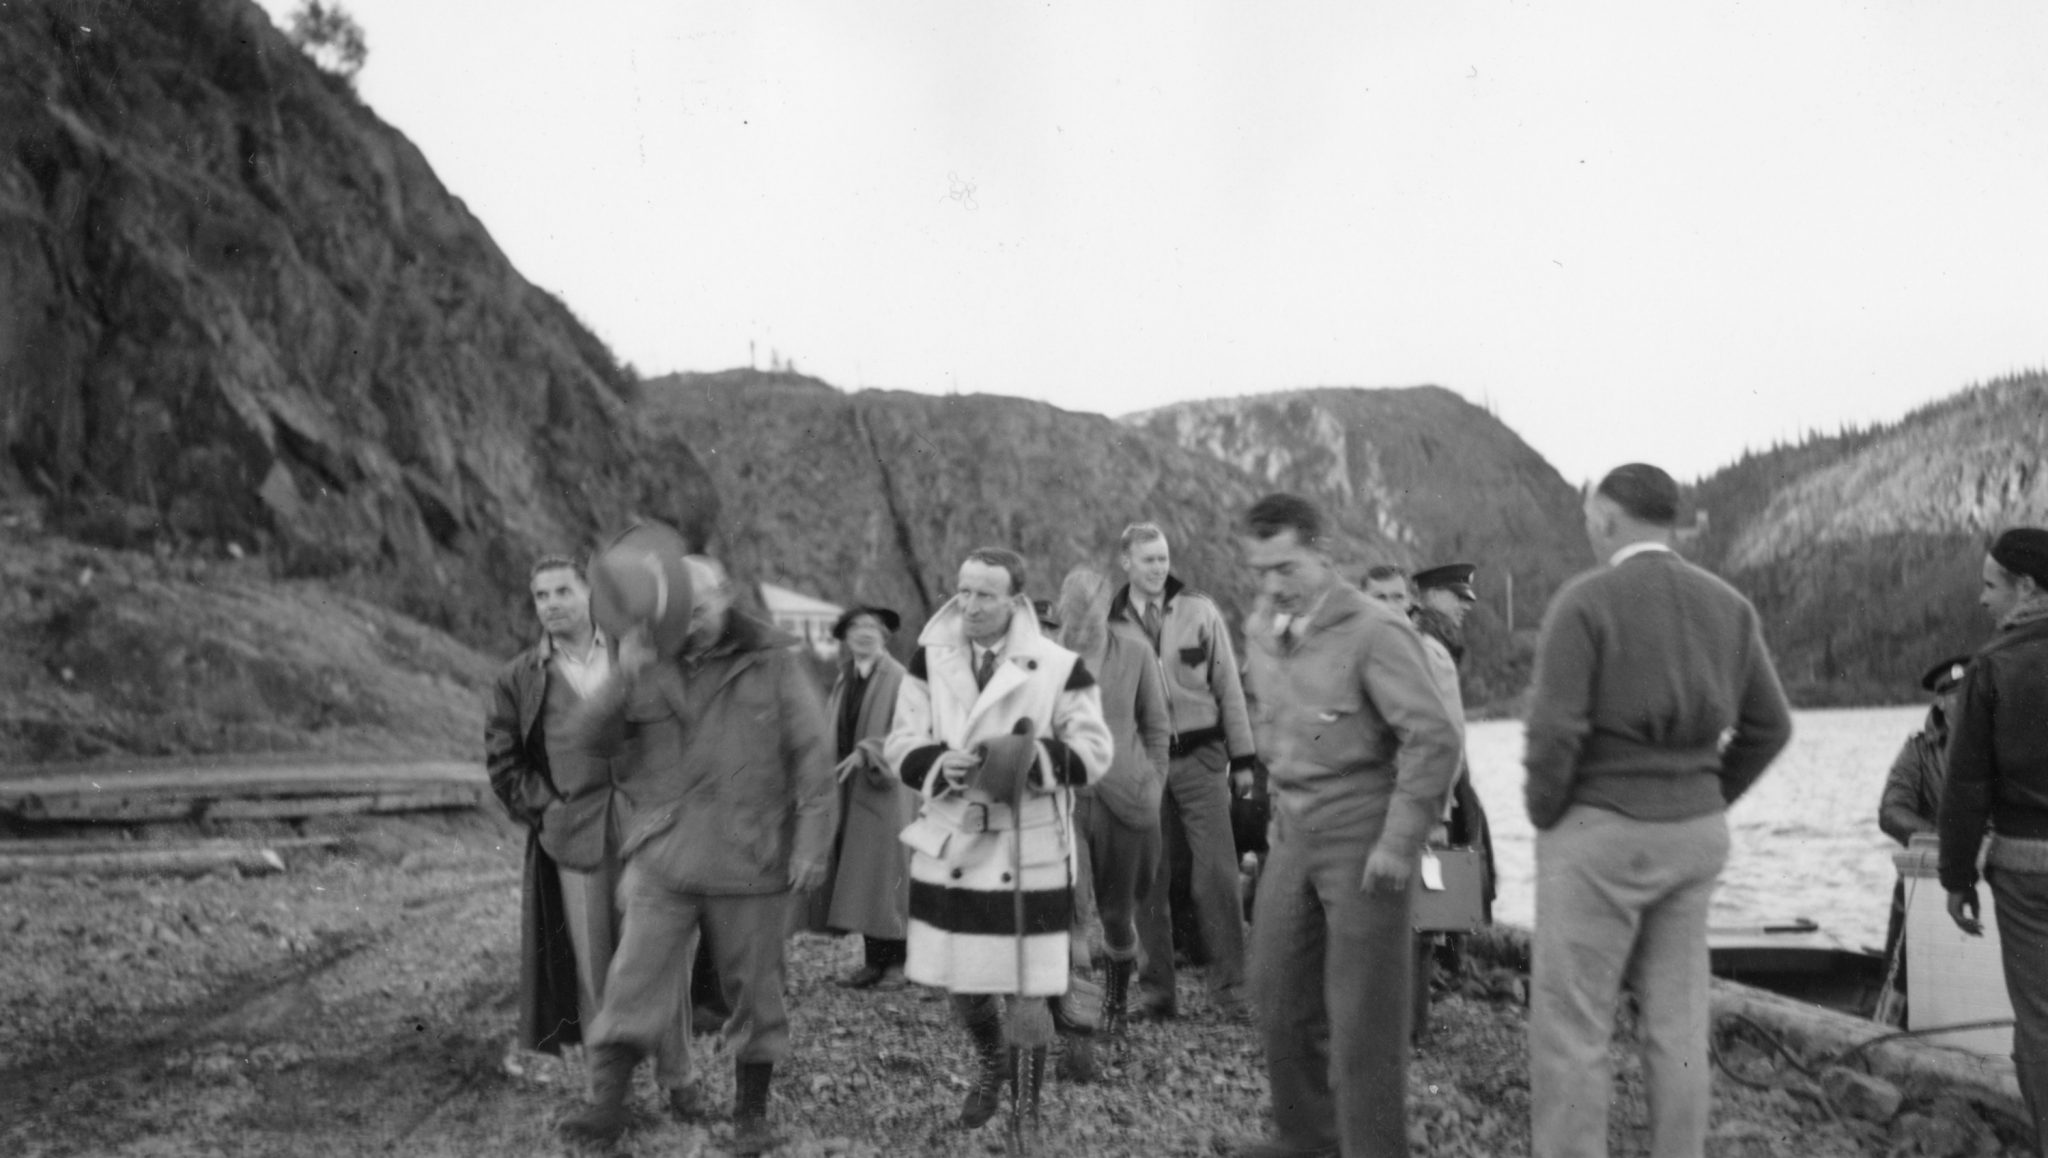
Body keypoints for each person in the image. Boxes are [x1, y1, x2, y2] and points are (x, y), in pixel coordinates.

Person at [1523, 463, 1793, 1158]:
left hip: (1601, 830)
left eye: (1589, 517)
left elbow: (1553, 733)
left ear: (1609, 519)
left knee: (1575, 1026)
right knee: (1677, 1022)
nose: (1587, 529)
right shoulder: (1728, 605)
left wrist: (1547, 813)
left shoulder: (1585, 603)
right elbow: (1771, 726)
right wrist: (1709, 796)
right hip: (1695, 836)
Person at [557, 556, 837, 1154]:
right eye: (679, 608)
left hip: (753, 854)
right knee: (632, 980)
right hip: (666, 850)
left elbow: (814, 758)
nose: (690, 618)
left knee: (756, 992)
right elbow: (588, 740)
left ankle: (751, 1116)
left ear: (727, 597)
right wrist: (620, 679)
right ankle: (606, 1106)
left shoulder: (773, 662)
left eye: (701, 604)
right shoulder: (646, 659)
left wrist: (812, 845)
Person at [1231, 493, 1464, 1158]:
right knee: (1275, 995)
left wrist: (1399, 841)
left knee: (1365, 1020)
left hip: (1365, 834)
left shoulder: (1374, 631)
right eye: (1262, 570)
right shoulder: (1262, 626)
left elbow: (1431, 739)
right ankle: (1309, 1139)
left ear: (1322, 555)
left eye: (1287, 566)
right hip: (1291, 831)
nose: (1275, 583)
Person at [883, 547, 1113, 1130]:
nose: (970, 604)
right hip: (955, 839)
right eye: (963, 590)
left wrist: (1029, 759)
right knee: (965, 985)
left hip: (1028, 848)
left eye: (986, 594)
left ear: (1015, 601)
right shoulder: (928, 660)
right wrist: (938, 763)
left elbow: (1095, 752)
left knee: (1028, 988)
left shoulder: (1060, 666)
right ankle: (992, 1064)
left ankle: (1025, 1117)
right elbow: (900, 741)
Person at [483, 556, 689, 1094]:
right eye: (541, 596)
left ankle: (677, 1077)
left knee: (662, 952)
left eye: (562, 592)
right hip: (575, 837)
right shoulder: (519, 678)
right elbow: (504, 764)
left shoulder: (635, 655)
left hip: (650, 827)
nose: (551, 604)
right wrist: (549, 809)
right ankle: (609, 1091)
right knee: (595, 966)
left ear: (588, 595)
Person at [1111, 521, 1259, 1022]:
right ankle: (1157, 994)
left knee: (1217, 874)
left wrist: (1243, 760)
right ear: (1126, 562)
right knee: (1148, 878)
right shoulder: (1110, 623)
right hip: (1142, 767)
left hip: (1202, 760)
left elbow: (1229, 690)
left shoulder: (1200, 610)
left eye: (1164, 557)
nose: (1159, 567)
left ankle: (1234, 990)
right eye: (1148, 559)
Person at [1939, 526, 2048, 1156]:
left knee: (2039, 1022)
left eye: (1989, 585)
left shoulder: (1994, 666)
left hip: (2030, 872)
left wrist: (1957, 878)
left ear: (2026, 587)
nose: (1982, 601)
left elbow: (1967, 784)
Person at [1057, 566, 1171, 1043]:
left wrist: (1154, 783)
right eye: (1076, 617)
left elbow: (1157, 728)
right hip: (1063, 798)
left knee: (1117, 916)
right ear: (1062, 610)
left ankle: (1116, 1005)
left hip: (1127, 799)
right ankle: (1079, 1023)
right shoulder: (1043, 656)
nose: (1085, 628)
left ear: (1108, 610)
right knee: (1072, 910)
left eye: (1094, 617)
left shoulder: (1136, 651)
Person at [807, 606, 914, 989]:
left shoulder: (899, 677)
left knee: (889, 873)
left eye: (873, 628)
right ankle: (874, 961)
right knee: (864, 876)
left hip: (887, 788)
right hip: (852, 789)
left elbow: (911, 730)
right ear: (845, 637)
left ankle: (901, 964)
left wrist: (868, 750)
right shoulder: (845, 678)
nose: (865, 634)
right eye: (857, 628)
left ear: (886, 636)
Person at [1876, 653, 1968, 1018]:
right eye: (1957, 694)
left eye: (1973, 691)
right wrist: (1937, 837)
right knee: (1899, 979)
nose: (1966, 701)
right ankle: (1887, 1020)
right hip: (1928, 878)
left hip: (1992, 878)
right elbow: (1891, 811)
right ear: (1940, 701)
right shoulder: (1917, 752)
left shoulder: (2004, 746)